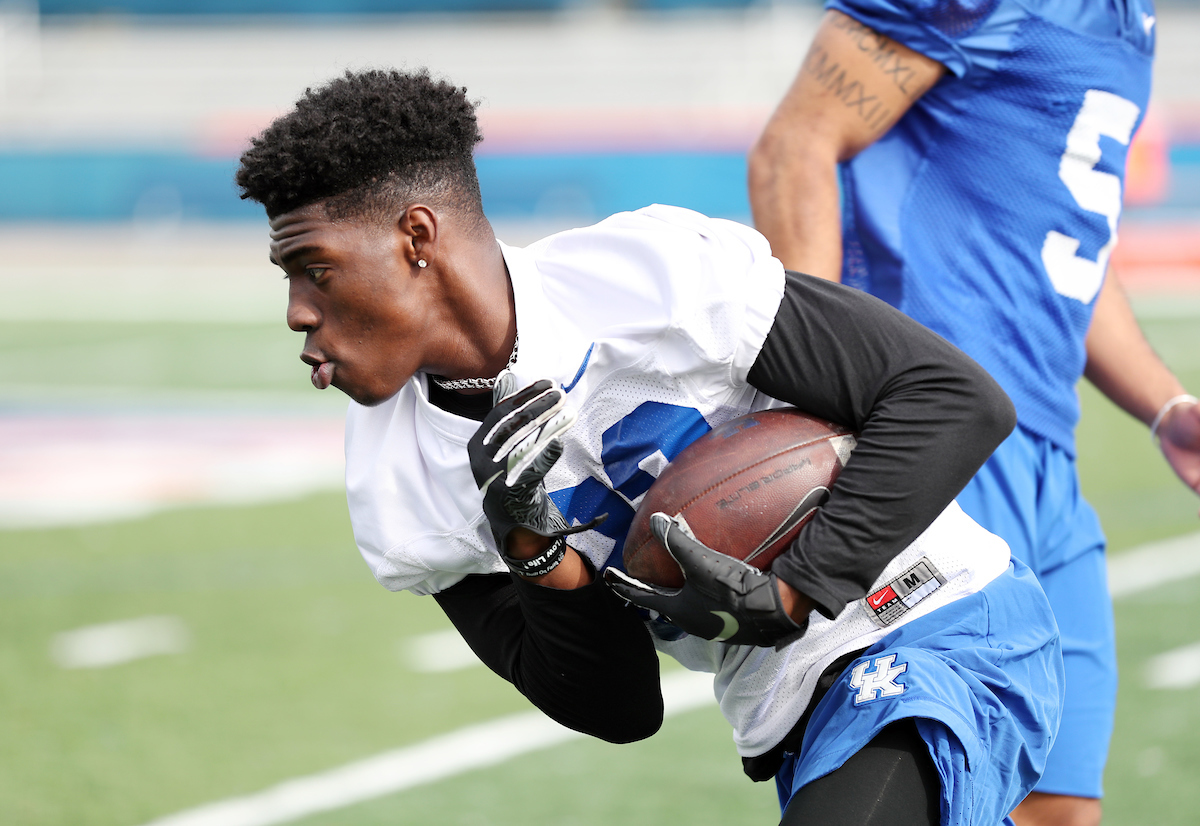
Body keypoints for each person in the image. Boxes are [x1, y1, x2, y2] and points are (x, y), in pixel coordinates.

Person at [236, 68, 1063, 826]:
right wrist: (532, 552)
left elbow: (953, 399)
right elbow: (621, 710)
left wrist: (797, 591)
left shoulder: (642, 276)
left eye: (316, 269)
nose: (297, 314)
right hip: (793, 709)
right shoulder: (399, 485)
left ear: (418, 236)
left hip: (931, 616)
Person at [748, 3, 1200, 825]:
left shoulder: (1129, 20)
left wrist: (1165, 403)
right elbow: (797, 145)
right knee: (930, 787)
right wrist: (806, 396)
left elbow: (1066, 256)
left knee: (1054, 806)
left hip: (1045, 466)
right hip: (928, 447)